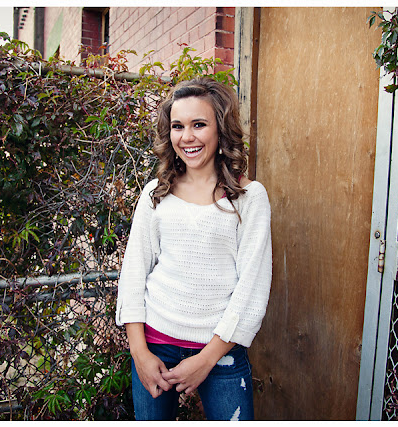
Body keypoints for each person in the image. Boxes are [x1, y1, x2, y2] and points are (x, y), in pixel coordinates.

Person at [115, 77, 272, 421]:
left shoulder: (249, 199)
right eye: (177, 126)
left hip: (221, 351)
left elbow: (253, 289)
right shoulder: (156, 193)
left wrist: (207, 359)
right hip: (154, 345)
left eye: (199, 124)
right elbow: (134, 273)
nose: (187, 137)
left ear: (220, 130)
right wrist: (139, 352)